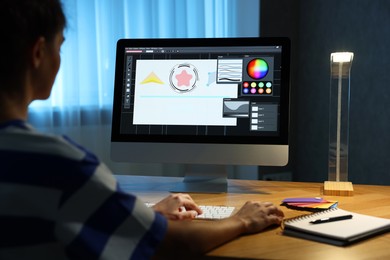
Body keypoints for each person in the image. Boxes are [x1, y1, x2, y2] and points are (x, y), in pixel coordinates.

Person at [0, 0, 285, 259]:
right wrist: (243, 220)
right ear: (38, 53)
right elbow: (171, 243)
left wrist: (144, 215)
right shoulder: (60, 166)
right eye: (59, 47)